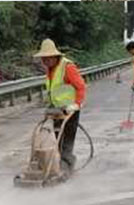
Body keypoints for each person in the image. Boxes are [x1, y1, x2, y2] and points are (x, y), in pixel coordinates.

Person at [33, 38, 86, 171]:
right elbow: (54, 89)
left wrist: (76, 104)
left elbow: (81, 87)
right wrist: (49, 105)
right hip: (57, 110)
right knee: (57, 138)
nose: (44, 61)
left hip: (70, 109)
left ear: (55, 56)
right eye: (43, 59)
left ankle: (67, 163)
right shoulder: (50, 69)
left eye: (47, 58)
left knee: (67, 139)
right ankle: (57, 162)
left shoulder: (67, 67)